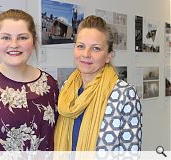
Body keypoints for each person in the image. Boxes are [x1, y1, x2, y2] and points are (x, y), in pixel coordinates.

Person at [54, 15, 142, 151]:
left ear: (108, 56)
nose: (86, 54)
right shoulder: (67, 87)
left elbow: (130, 152)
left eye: (96, 48)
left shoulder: (124, 94)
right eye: (80, 46)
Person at [0, 9, 59, 151]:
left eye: (22, 37)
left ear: (33, 41)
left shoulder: (50, 84)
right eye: (6, 37)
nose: (14, 44)